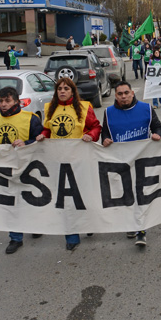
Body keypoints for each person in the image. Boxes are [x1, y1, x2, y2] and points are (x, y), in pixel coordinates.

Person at [36, 78, 101, 250]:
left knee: (83, 195)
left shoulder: (84, 107)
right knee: (65, 199)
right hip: (58, 160)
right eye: (59, 89)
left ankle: (87, 223)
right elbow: (48, 129)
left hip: (80, 159)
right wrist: (43, 135)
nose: (62, 91)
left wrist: (91, 136)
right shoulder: (50, 109)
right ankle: (71, 236)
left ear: (73, 91)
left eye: (66, 88)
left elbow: (96, 127)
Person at [101, 81, 161, 245]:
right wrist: (105, 140)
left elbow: (158, 127)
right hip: (121, 163)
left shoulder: (146, 109)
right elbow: (105, 134)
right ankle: (130, 224)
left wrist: (157, 134)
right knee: (127, 196)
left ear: (132, 93)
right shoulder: (108, 112)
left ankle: (141, 230)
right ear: (115, 95)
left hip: (143, 161)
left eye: (126, 93)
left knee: (141, 196)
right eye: (120, 94)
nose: (123, 96)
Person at [0, 86, 43, 254]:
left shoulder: (30, 119)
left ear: (16, 101)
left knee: (30, 200)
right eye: (1, 101)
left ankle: (35, 225)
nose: (3, 104)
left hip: (27, 169)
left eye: (7, 101)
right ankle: (15, 237)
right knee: (11, 205)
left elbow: (41, 142)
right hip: (5, 170)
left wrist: (28, 143)